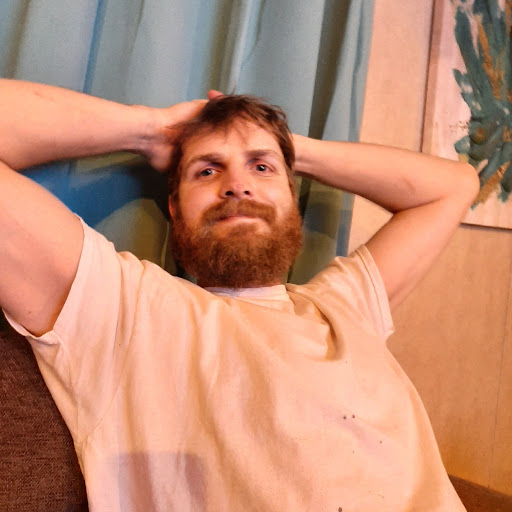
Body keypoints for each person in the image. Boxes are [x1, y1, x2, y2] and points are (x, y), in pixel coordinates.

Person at [0, 79, 478, 511]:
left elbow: (455, 185)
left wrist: (286, 146)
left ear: (292, 195)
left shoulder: (345, 305)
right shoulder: (123, 307)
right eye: (208, 171)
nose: (238, 186)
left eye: (261, 168)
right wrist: (151, 130)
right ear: (174, 207)